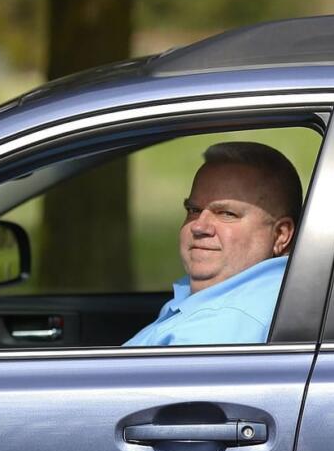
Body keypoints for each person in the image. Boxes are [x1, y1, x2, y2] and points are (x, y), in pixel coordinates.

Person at [124, 141, 302, 346]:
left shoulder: (216, 327)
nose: (199, 227)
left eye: (227, 214)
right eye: (194, 210)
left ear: (281, 235)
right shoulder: (273, 293)